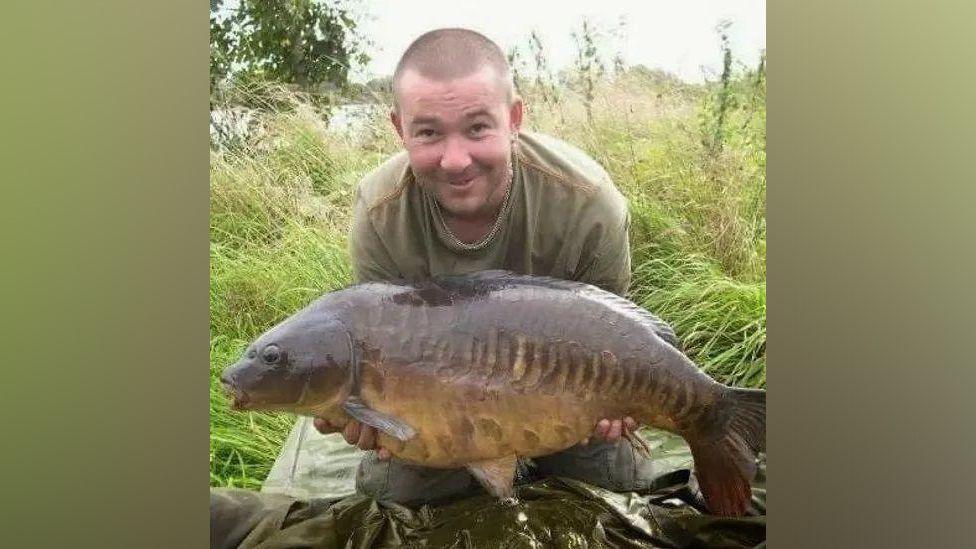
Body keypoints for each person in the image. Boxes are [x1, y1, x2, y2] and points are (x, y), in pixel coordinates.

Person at [260, 27, 665, 507]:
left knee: (613, 482)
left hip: (566, 399)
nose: (455, 160)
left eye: (477, 128)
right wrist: (370, 418)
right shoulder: (380, 211)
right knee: (394, 491)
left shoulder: (588, 202)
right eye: (429, 132)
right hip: (441, 404)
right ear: (400, 129)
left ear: (514, 118)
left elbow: (616, 333)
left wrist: (621, 407)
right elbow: (379, 345)